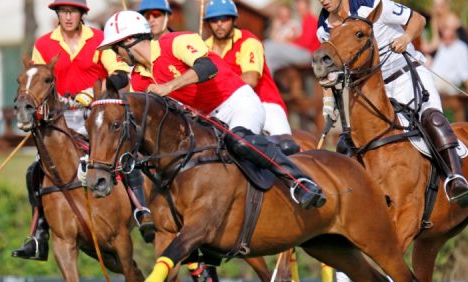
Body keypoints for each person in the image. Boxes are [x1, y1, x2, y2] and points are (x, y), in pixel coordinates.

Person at [99, 10, 325, 211]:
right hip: (206, 121)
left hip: (237, 102)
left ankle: (300, 181)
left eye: (116, 48)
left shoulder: (175, 42)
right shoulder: (138, 80)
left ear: (129, 40)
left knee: (240, 141)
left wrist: (168, 87)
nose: (117, 56)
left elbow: (207, 67)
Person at [316, 0, 468, 204]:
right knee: (349, 139)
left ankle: (455, 177)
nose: (323, 0)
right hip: (370, 89)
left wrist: (406, 37)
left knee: (432, 119)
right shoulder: (324, 26)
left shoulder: (374, 4)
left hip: (406, 73)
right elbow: (328, 66)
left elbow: (418, 20)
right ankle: (353, 195)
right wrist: (328, 101)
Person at [11, 0, 131, 261]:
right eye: (63, 11)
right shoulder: (43, 44)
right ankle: (39, 234)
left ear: (82, 14)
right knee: (35, 171)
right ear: (57, 14)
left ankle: (142, 210)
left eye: (73, 11)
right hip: (59, 120)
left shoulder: (99, 38)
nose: (68, 17)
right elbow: (37, 81)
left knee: (125, 159)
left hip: (97, 114)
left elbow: (121, 72)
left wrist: (92, 92)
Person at [203, 0, 299, 153]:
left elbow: (251, 79)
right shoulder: (203, 48)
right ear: (208, 23)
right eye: (214, 19)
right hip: (224, 108)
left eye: (225, 18)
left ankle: (298, 177)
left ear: (234, 20)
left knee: (287, 149)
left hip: (265, 103)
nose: (219, 24)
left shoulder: (248, 41)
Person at [264, 0, 321, 74]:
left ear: (307, 5)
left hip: (308, 55)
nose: (298, 7)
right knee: (271, 60)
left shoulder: (311, 20)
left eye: (300, 4)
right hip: (303, 52)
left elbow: (306, 43)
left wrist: (289, 42)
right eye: (298, 4)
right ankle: (267, 83)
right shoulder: (304, 20)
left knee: (268, 46)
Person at [429, 13, 468, 95]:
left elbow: (465, 72)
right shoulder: (441, 46)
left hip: (448, 83)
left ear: (454, 30)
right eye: (443, 28)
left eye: (447, 28)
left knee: (429, 86)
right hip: (432, 79)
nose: (443, 31)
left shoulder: (461, 47)